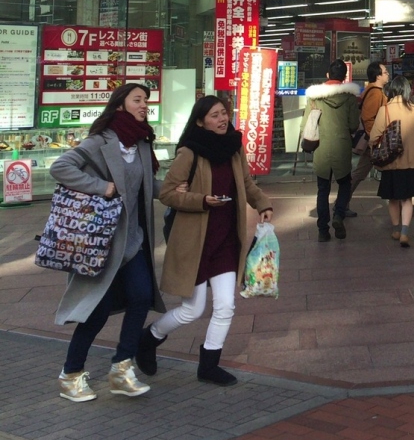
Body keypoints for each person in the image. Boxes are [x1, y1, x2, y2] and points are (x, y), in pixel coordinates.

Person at [141, 96, 273, 385]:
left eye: (224, 113)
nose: (222, 119)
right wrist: (202, 200)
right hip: (195, 242)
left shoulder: (234, 147)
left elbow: (247, 183)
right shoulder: (190, 152)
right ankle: (149, 338)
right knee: (192, 310)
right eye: (214, 115)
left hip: (226, 239)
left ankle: (209, 365)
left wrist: (262, 203)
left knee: (226, 305)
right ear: (201, 121)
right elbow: (167, 194)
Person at [50, 84, 164, 402]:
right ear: (120, 105)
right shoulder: (100, 141)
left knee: (141, 297)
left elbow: (147, 186)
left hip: (133, 241)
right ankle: (70, 375)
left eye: (146, 100)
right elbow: (60, 167)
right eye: (137, 100)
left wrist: (182, 192)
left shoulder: (142, 143)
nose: (144, 105)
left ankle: (121, 368)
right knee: (96, 312)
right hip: (100, 243)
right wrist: (102, 187)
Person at [368, 76, 414, 247]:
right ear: (407, 90)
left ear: (392, 90)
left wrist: (375, 148)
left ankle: (395, 229)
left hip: (391, 161)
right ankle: (404, 233)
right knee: (407, 199)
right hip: (411, 162)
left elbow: (374, 137)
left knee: (393, 198)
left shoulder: (385, 110)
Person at [304, 61, 360, 241]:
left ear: (327, 75)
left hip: (321, 147)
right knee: (345, 184)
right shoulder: (349, 98)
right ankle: (338, 215)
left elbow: (306, 125)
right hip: (342, 146)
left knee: (323, 189)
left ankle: (323, 230)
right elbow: (354, 124)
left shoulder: (315, 97)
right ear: (344, 77)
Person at [350, 61, 389, 197]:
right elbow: (368, 118)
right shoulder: (376, 93)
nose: (388, 74)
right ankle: (341, 202)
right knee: (392, 170)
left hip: (373, 141)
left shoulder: (374, 91)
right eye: (385, 72)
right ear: (378, 76)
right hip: (374, 141)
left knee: (360, 173)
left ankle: (342, 202)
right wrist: (376, 139)